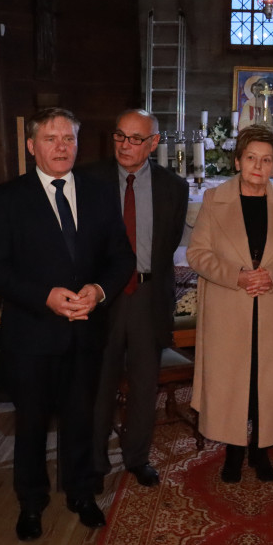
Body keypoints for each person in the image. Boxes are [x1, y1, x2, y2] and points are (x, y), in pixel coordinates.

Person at [0, 108, 135, 539]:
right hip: (31, 333)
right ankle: (31, 502)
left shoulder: (101, 193)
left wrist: (99, 291)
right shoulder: (8, 198)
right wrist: (44, 296)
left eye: (69, 138)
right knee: (30, 423)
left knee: (81, 417)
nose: (62, 146)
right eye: (51, 139)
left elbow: (122, 257)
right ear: (32, 146)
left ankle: (82, 493)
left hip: (86, 330)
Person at [187, 125, 273, 482]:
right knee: (231, 382)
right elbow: (198, 254)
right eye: (252, 158)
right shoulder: (214, 199)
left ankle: (261, 450)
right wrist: (237, 275)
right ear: (239, 160)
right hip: (230, 305)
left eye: (267, 160)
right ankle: (233, 452)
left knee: (266, 381)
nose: (259, 166)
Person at [85, 109, 188, 489]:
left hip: (148, 296)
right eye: (120, 136)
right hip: (101, 297)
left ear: (154, 143)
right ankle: (95, 463)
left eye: (135, 139)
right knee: (100, 384)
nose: (126, 146)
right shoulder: (89, 179)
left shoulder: (174, 187)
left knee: (145, 385)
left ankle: (137, 458)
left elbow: (168, 245)